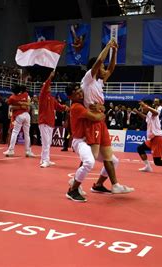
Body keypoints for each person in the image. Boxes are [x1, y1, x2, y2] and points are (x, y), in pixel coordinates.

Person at [77, 39, 132, 195]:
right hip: (91, 121)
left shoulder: (99, 82)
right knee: (91, 158)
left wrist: (115, 51)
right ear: (95, 68)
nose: (103, 68)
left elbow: (111, 68)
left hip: (101, 121)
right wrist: (108, 46)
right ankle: (76, 184)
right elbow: (100, 60)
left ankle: (109, 185)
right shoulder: (88, 79)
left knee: (111, 159)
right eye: (101, 67)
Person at [65, 83, 133, 203]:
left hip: (87, 139)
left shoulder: (82, 104)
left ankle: (98, 185)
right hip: (79, 141)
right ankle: (72, 190)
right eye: (77, 93)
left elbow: (100, 109)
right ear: (71, 97)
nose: (81, 94)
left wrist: (100, 108)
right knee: (89, 162)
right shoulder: (76, 106)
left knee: (113, 161)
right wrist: (102, 112)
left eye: (80, 91)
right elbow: (97, 118)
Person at [38, 70, 68, 168]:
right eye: (47, 86)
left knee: (47, 142)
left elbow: (59, 106)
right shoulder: (42, 96)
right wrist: (50, 77)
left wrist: (66, 108)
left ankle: (44, 159)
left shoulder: (51, 98)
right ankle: (45, 160)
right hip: (44, 122)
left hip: (50, 123)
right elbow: (45, 86)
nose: (49, 87)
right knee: (46, 142)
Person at [3, 85, 36, 157]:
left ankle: (11, 150)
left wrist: (16, 106)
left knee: (15, 132)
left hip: (18, 115)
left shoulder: (12, 97)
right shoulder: (25, 94)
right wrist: (23, 105)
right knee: (27, 134)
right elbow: (28, 104)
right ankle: (28, 151)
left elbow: (9, 105)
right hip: (27, 115)